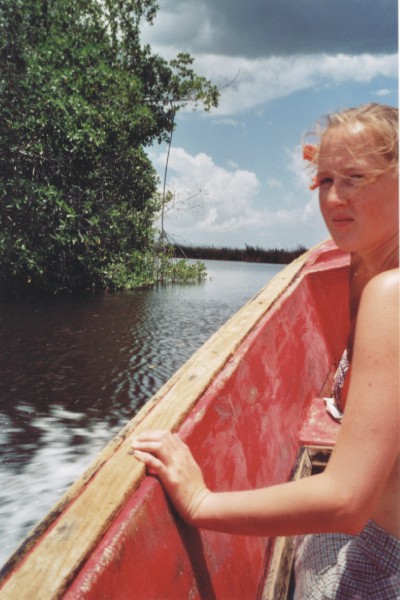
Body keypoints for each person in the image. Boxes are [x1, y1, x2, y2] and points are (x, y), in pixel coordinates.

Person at [131, 103, 399, 598]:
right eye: (325, 180)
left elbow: (344, 501)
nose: (333, 198)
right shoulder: (370, 269)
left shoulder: (391, 294)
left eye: (356, 178)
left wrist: (201, 502)